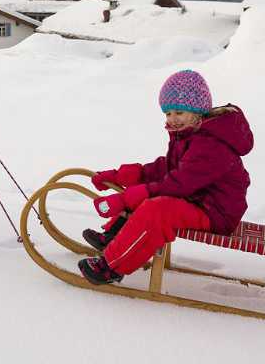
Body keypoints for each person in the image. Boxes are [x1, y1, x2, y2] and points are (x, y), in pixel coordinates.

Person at [77, 69, 254, 285]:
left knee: (158, 210)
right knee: (148, 191)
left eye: (179, 112)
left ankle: (110, 267)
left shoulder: (211, 144)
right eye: (168, 113)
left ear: (198, 111)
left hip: (215, 211)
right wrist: (120, 176)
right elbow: (166, 168)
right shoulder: (189, 135)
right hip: (197, 199)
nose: (172, 119)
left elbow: (179, 183)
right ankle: (114, 238)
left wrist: (128, 198)